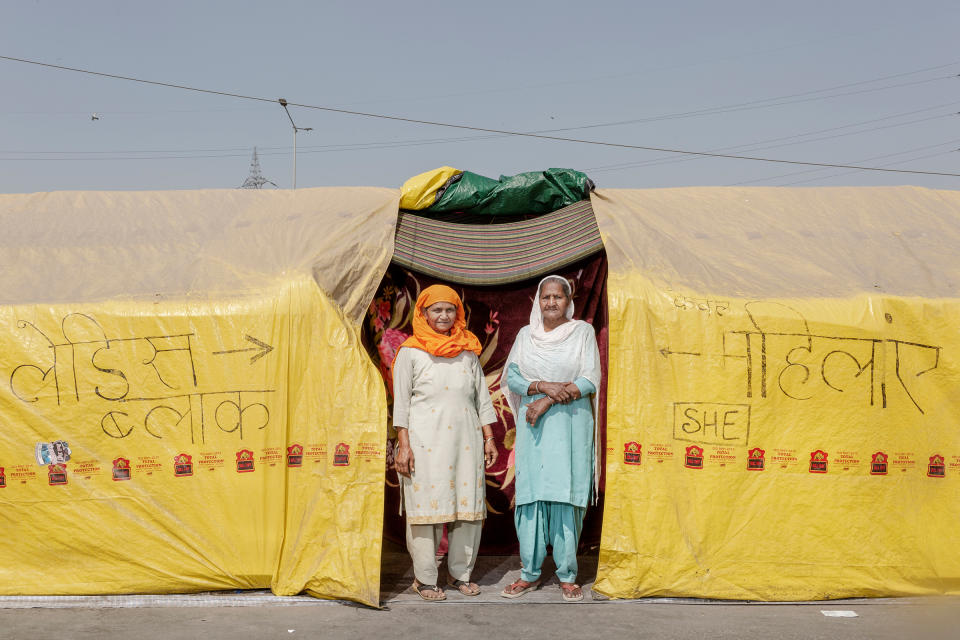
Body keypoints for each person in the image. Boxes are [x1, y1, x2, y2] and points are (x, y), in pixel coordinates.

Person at [393, 284, 499, 601]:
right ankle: (425, 580)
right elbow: (401, 404)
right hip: (424, 444)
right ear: (423, 313)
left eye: (449, 309)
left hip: (465, 442)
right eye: (436, 309)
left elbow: (482, 399)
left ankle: (459, 575)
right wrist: (404, 444)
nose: (443, 315)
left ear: (458, 314)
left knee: (467, 509)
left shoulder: (467, 353)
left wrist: (490, 438)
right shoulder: (410, 352)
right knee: (425, 511)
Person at [500, 275, 601, 602]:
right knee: (531, 497)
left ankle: (567, 575)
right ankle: (528, 574)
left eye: (558, 297)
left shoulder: (582, 332)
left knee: (566, 496)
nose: (552, 302)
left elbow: (588, 378)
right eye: (546, 297)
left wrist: (546, 400)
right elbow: (513, 377)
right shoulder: (525, 336)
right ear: (538, 301)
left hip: (570, 425)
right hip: (534, 428)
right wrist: (542, 387)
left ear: (568, 301)